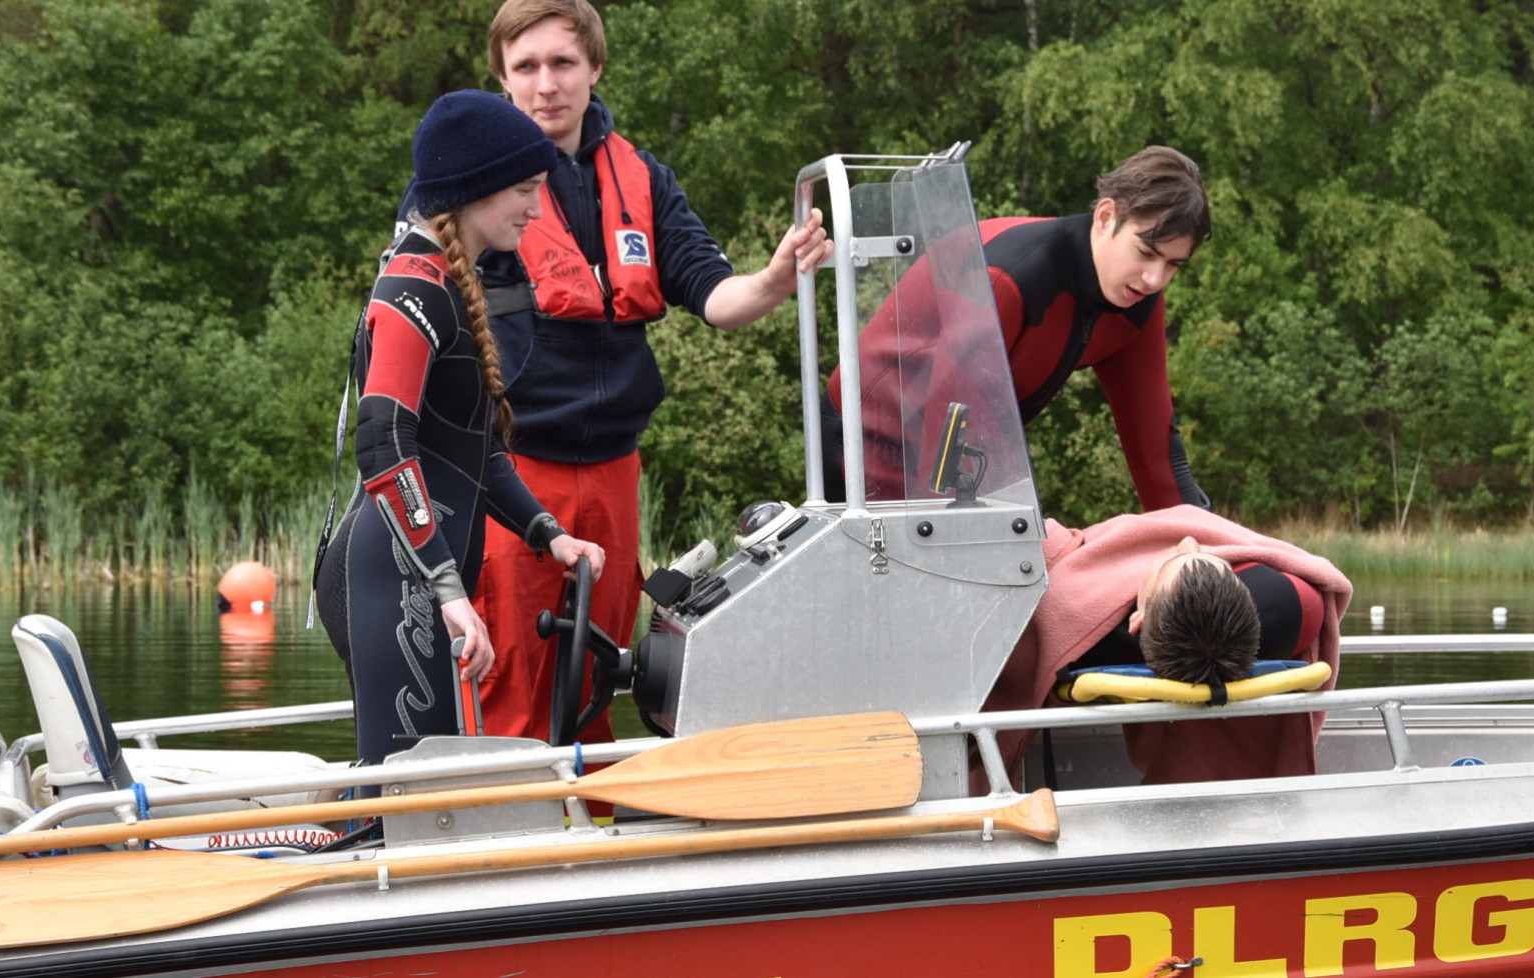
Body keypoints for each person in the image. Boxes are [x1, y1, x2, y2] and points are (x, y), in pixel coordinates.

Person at [414, 0, 831, 745]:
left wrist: (775, 279)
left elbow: (716, 295)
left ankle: (597, 815)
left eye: (563, 63)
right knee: (508, 682)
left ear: (595, 68)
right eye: (526, 67)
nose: (547, 84)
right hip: (507, 473)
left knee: (594, 683)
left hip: (612, 472)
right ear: (502, 78)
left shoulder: (643, 178)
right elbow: (412, 312)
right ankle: (503, 811)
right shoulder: (466, 181)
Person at [316, 90, 605, 766]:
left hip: (421, 577)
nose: (536, 209)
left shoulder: (451, 281)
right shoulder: (411, 288)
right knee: (408, 797)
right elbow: (383, 442)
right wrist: (447, 589)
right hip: (393, 579)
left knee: (428, 793)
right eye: (524, 191)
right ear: (473, 189)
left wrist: (550, 535)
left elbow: (479, 454)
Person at [827, 146, 1215, 510]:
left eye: (1173, 265)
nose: (1154, 278)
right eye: (1145, 252)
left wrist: (1209, 544)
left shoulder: (1136, 296)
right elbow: (945, 448)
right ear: (1105, 217)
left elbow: (1157, 457)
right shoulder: (1011, 277)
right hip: (865, 441)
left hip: (946, 450)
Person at [982, 505, 1353, 786]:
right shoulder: (1290, 607)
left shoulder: (1080, 616)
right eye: (1213, 557)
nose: (1188, 541)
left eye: (1167, 563)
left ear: (1137, 619)